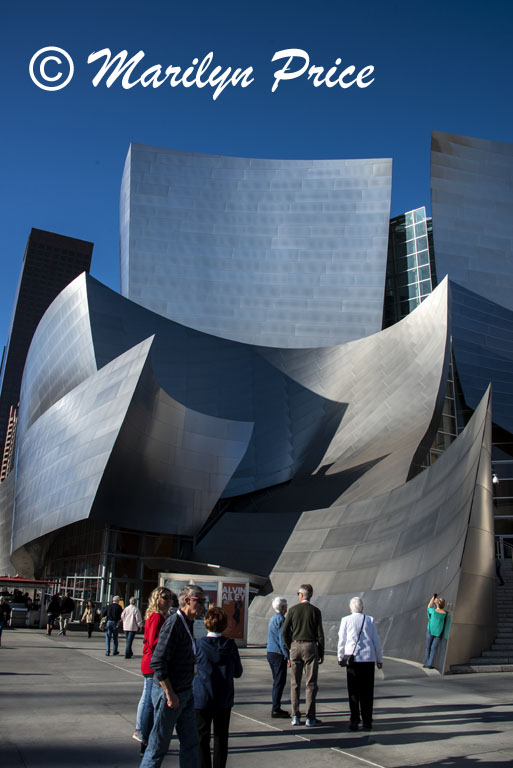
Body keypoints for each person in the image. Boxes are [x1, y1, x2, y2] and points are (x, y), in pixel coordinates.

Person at [140, 584, 206, 768]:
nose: (202, 606)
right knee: (157, 747)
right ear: (187, 601)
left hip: (186, 692)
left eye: (203, 601)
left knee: (191, 744)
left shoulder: (188, 623)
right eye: (199, 601)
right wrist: (169, 693)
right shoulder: (174, 623)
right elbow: (158, 661)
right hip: (171, 695)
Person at [194, 606, 243, 768]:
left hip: (202, 697)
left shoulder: (198, 645)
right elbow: (238, 672)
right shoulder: (230, 645)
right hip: (223, 698)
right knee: (221, 738)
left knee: (202, 737)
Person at [133, 587, 177, 753]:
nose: (168, 601)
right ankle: (145, 736)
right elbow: (154, 642)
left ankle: (143, 733)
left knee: (147, 699)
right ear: (156, 599)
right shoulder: (157, 617)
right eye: (165, 598)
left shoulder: (157, 616)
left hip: (150, 663)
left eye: (170, 598)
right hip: (153, 664)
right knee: (150, 702)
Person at [337, 596, 383, 731]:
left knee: (353, 690)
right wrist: (379, 659)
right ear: (362, 607)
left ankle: (354, 719)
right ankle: (367, 720)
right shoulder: (369, 620)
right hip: (368, 659)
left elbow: (342, 640)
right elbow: (376, 640)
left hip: (352, 658)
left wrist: (340, 657)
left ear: (350, 608)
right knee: (367, 692)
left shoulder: (345, 620)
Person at [282, 583, 324, 727]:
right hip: (310, 646)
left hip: (295, 646)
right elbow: (320, 634)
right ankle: (310, 717)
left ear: (301, 595)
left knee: (295, 683)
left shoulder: (293, 610)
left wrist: (289, 646)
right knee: (310, 683)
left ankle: (295, 715)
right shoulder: (315, 611)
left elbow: (284, 631)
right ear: (310, 595)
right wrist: (321, 652)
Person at [266, 596, 289, 718]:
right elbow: (282, 640)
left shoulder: (273, 619)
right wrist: (288, 656)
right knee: (279, 681)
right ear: (282, 607)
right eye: (285, 605)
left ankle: (276, 706)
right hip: (278, 654)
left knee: (276, 681)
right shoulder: (281, 620)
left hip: (270, 652)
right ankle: (276, 708)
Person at [424, 595, 448, 669]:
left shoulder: (433, 611)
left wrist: (433, 598)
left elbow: (429, 606)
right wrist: (437, 602)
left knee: (428, 647)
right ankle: (430, 664)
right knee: (433, 648)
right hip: (438, 633)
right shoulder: (444, 614)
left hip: (430, 630)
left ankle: (426, 663)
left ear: (437, 604)